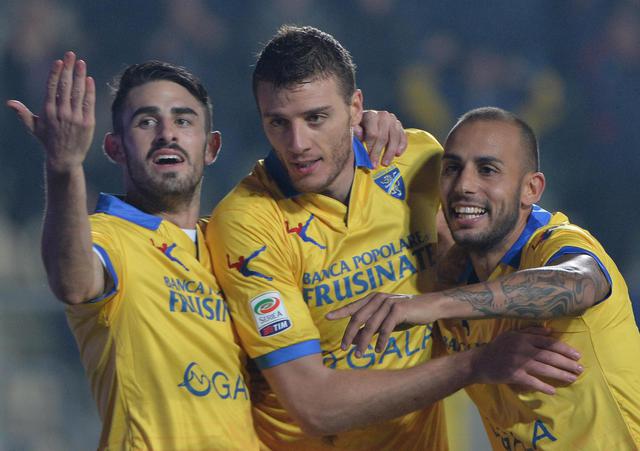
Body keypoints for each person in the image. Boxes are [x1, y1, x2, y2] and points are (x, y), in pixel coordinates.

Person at [6, 51, 435, 449]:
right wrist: (63, 169)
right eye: (146, 122)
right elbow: (72, 280)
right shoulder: (110, 238)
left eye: (184, 120)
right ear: (115, 147)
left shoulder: (230, 245)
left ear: (211, 148)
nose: (167, 134)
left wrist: (362, 129)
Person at [206, 26, 583, 450]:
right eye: (278, 122)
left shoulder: (415, 158)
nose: (297, 144)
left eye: (316, 118)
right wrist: (475, 365)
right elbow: (314, 407)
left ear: (356, 108)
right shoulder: (246, 223)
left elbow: (473, 260)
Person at [329, 107, 640, 450]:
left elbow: (579, 283)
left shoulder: (555, 244)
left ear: (531, 189)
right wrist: (367, 123)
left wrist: (429, 306)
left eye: (487, 170)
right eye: (452, 168)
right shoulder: (451, 272)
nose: (464, 185)